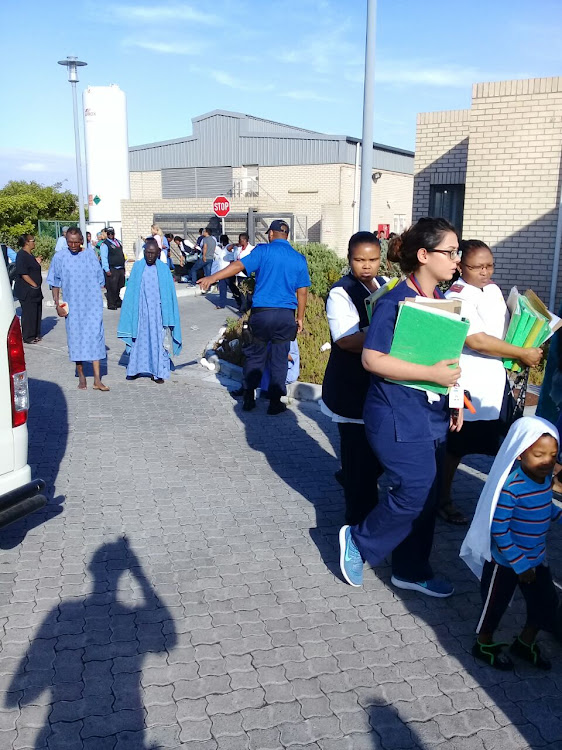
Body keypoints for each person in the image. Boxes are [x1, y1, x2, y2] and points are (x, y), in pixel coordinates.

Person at [338, 217, 463, 597]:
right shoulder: (396, 301)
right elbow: (372, 359)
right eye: (451, 252)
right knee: (414, 487)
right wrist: (430, 372)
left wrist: (456, 396)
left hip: (431, 412)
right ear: (424, 255)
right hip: (395, 412)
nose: (456, 260)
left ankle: (411, 568)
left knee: (427, 495)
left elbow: (448, 361)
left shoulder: (442, 302)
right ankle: (360, 541)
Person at [440, 240, 543, 524]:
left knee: (501, 440)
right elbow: (477, 340)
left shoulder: (495, 290)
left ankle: (506, 502)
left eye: (489, 265)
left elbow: (506, 330)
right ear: (461, 266)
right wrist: (522, 352)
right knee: (456, 445)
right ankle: (442, 498)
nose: (485, 272)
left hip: (497, 380)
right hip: (467, 380)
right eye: (477, 267)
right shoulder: (457, 295)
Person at [460, 417, 562, 670]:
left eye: (553, 455)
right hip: (506, 563)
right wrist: (519, 564)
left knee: (546, 603)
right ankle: (483, 643)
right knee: (496, 604)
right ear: (519, 454)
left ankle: (525, 643)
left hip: (537, 558)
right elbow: (500, 529)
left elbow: (544, 505)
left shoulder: (545, 481)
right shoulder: (512, 487)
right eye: (538, 454)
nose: (546, 462)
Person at [198, 220, 311, 415]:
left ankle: (249, 397)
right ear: (287, 235)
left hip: (262, 314)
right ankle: (275, 403)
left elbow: (238, 266)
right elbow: (302, 292)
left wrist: (212, 277)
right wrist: (300, 317)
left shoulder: (263, 251)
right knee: (279, 360)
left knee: (255, 356)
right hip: (285, 316)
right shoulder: (299, 259)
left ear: (272, 234)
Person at [321, 232, 387, 525]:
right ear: (349, 259)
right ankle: (356, 525)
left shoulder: (384, 284)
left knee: (373, 458)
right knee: (358, 456)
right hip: (351, 387)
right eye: (360, 259)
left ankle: (351, 478)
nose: (366, 266)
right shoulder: (341, 292)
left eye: (372, 259)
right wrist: (392, 334)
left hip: (377, 387)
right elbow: (346, 340)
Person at [46, 227, 109, 391]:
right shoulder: (60, 257)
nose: (73, 245)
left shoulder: (90, 255)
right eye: (69, 242)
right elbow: (55, 282)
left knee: (96, 337)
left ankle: (97, 379)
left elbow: (99, 278)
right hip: (73, 306)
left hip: (92, 305)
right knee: (76, 339)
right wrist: (57, 303)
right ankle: (81, 375)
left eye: (76, 242)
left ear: (82, 240)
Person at [117, 238, 182, 384]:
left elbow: (169, 294)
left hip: (158, 314)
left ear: (158, 253)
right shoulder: (138, 267)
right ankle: (135, 369)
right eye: (147, 253)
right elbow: (131, 292)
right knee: (138, 340)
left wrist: (168, 315)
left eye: (153, 253)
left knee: (157, 341)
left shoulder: (164, 269)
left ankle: (157, 372)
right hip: (140, 313)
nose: (150, 256)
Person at [14, 234, 43, 344]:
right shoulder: (21, 255)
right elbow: (23, 273)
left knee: (36, 311)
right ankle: (28, 336)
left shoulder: (29, 255)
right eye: (32, 240)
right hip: (27, 290)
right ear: (26, 242)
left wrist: (37, 261)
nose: (34, 242)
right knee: (29, 313)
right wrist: (33, 284)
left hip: (35, 290)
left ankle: (36, 333)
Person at [226, 233, 255, 311]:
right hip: (239, 273)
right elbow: (228, 248)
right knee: (241, 291)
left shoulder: (251, 249)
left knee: (248, 292)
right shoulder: (237, 248)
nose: (239, 241)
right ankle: (243, 307)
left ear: (245, 240)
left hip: (247, 274)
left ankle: (248, 307)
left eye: (240, 240)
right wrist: (235, 244)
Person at [100, 227, 126, 310]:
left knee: (120, 286)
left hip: (120, 268)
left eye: (112, 233)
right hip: (112, 269)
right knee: (112, 288)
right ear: (107, 234)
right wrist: (107, 269)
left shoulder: (118, 242)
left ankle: (118, 302)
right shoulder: (105, 244)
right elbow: (104, 257)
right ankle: (111, 304)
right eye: (109, 233)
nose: (111, 235)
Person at [212, 234, 232, 309]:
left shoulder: (228, 247)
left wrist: (237, 244)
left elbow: (231, 247)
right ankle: (221, 304)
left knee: (233, 288)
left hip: (228, 272)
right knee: (222, 288)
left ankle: (240, 303)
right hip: (221, 272)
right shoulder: (223, 249)